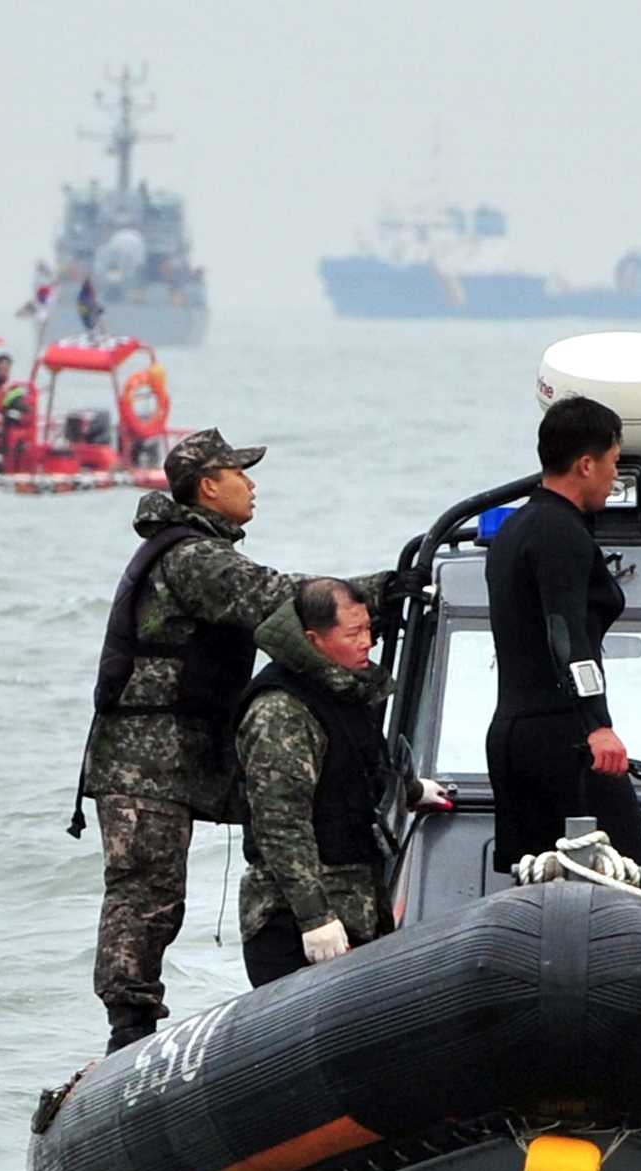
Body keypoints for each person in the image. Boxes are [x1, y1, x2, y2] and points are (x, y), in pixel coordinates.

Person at [74, 429, 407, 1051]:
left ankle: (138, 1021)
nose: (252, 486)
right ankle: (128, 1032)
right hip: (145, 762)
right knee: (146, 893)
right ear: (208, 486)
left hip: (179, 754)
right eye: (240, 475)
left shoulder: (193, 550)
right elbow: (280, 599)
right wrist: (380, 590)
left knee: (172, 880)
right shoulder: (194, 558)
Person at [233, 579, 438, 987]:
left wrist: (411, 792)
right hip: (297, 921)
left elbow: (362, 765)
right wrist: (315, 918)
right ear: (314, 639)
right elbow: (280, 824)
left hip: (358, 906)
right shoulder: (282, 711)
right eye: (353, 634)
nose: (367, 643)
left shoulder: (346, 688)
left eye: (369, 631)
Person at [484, 395, 641, 879]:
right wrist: (596, 723)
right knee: (629, 870)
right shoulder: (563, 534)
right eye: (613, 463)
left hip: (513, 733)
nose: (614, 477)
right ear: (585, 464)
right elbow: (565, 633)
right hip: (561, 736)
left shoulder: (514, 529)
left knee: (536, 877)